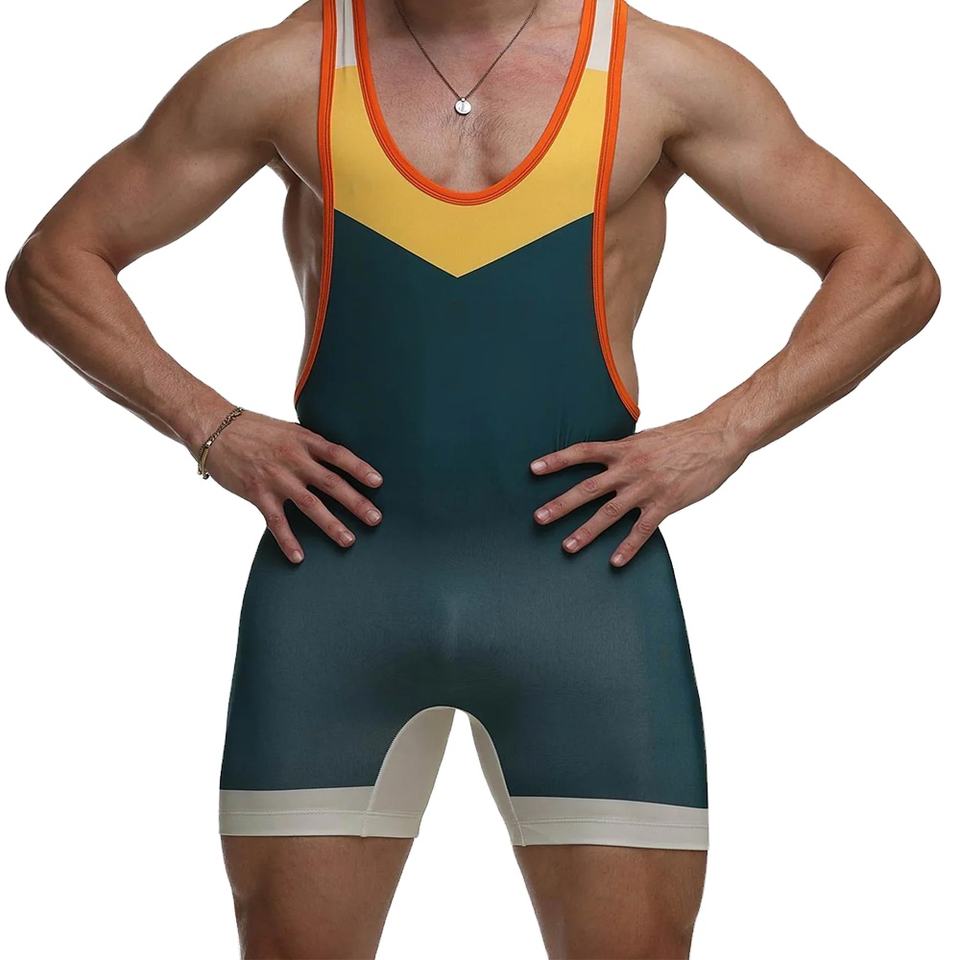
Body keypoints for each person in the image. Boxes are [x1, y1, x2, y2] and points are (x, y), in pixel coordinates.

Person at [5, 0, 939, 957]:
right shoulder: (285, 68)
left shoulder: (661, 74)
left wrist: (722, 435)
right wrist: (215, 428)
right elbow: (54, 267)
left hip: (583, 600)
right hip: (337, 599)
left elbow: (891, 272)